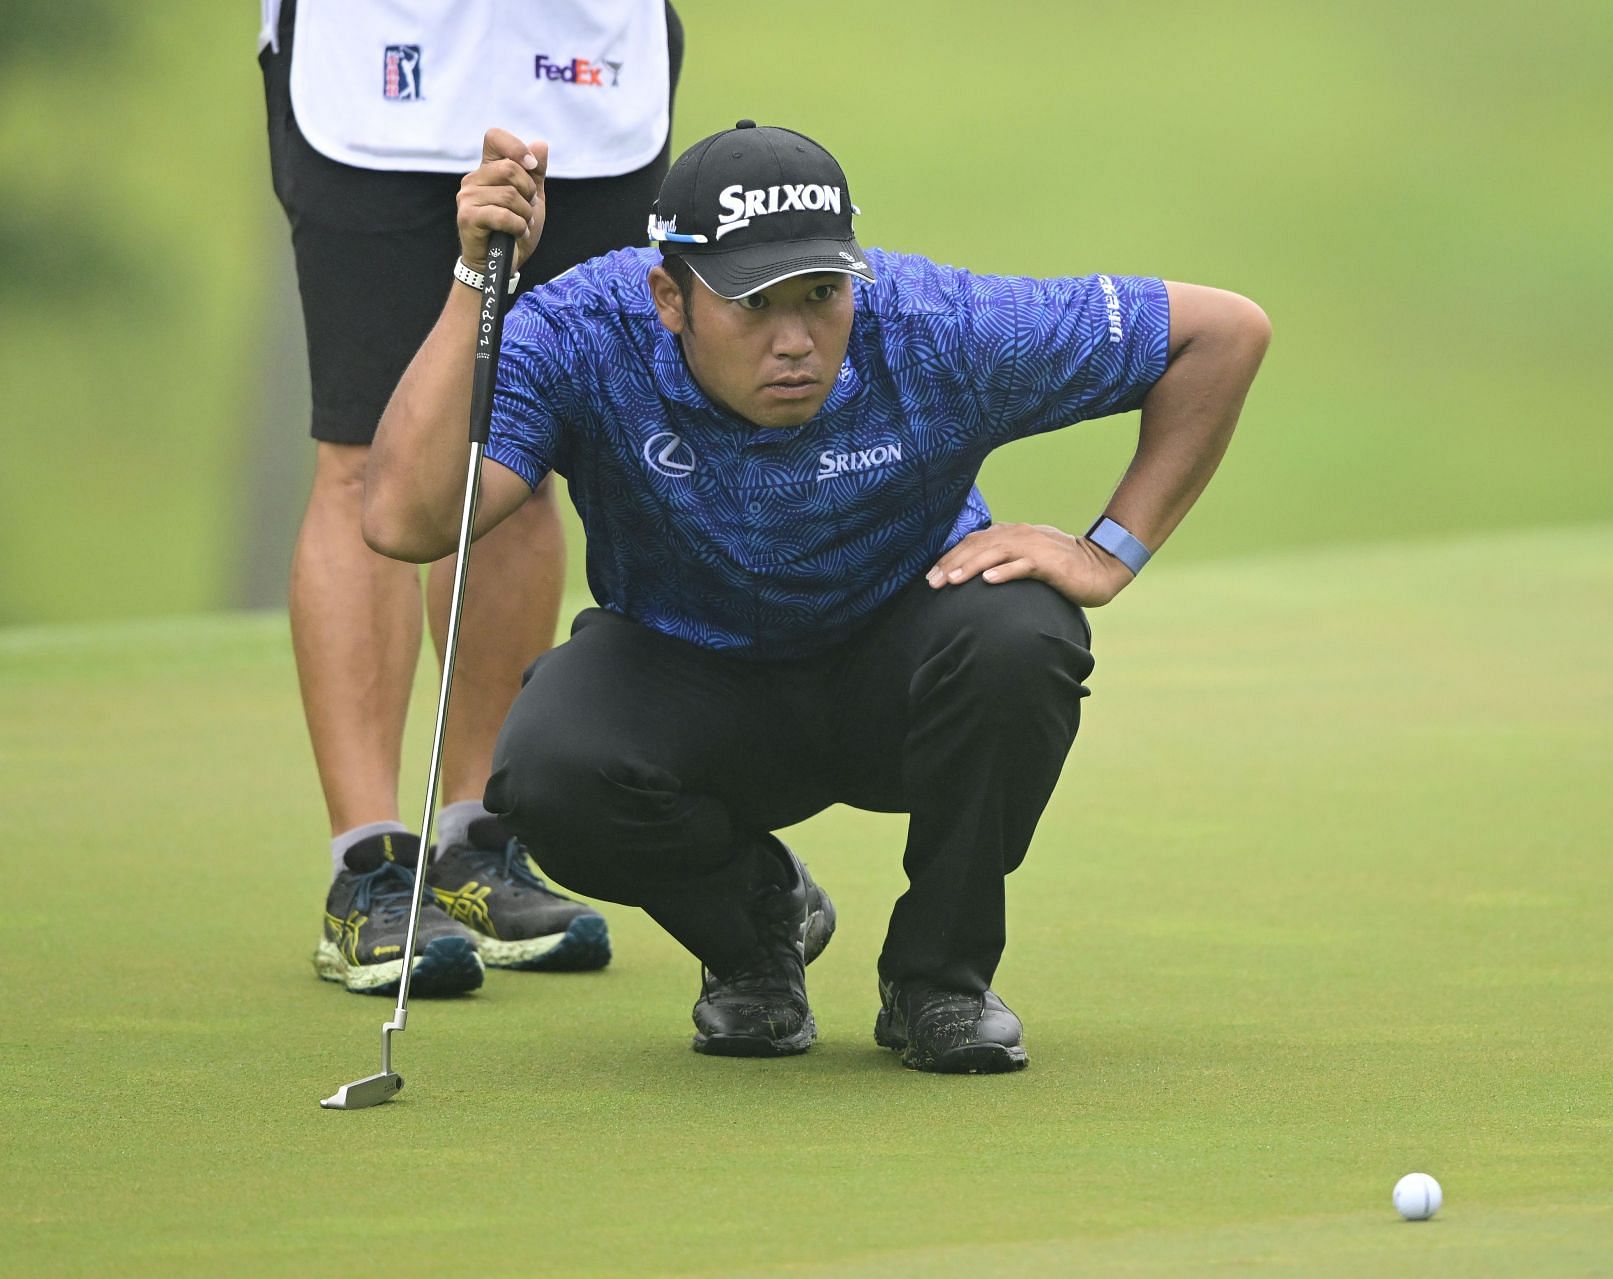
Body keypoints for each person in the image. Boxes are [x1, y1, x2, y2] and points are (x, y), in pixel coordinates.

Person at [364, 120, 1271, 1072]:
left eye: (822, 295)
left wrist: (1107, 551)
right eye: (755, 305)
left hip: (899, 681)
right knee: (550, 771)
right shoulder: (585, 330)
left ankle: (939, 981)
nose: (796, 340)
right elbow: (406, 520)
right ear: (671, 295)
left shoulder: (933, 322)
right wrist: (479, 284)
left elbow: (1224, 333)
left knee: (1024, 631)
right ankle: (756, 934)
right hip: (691, 688)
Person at [256, 0, 683, 996]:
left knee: (521, 452)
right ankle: (369, 869)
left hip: (586, 62)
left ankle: (479, 843)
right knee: (367, 449)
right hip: (376, 67)